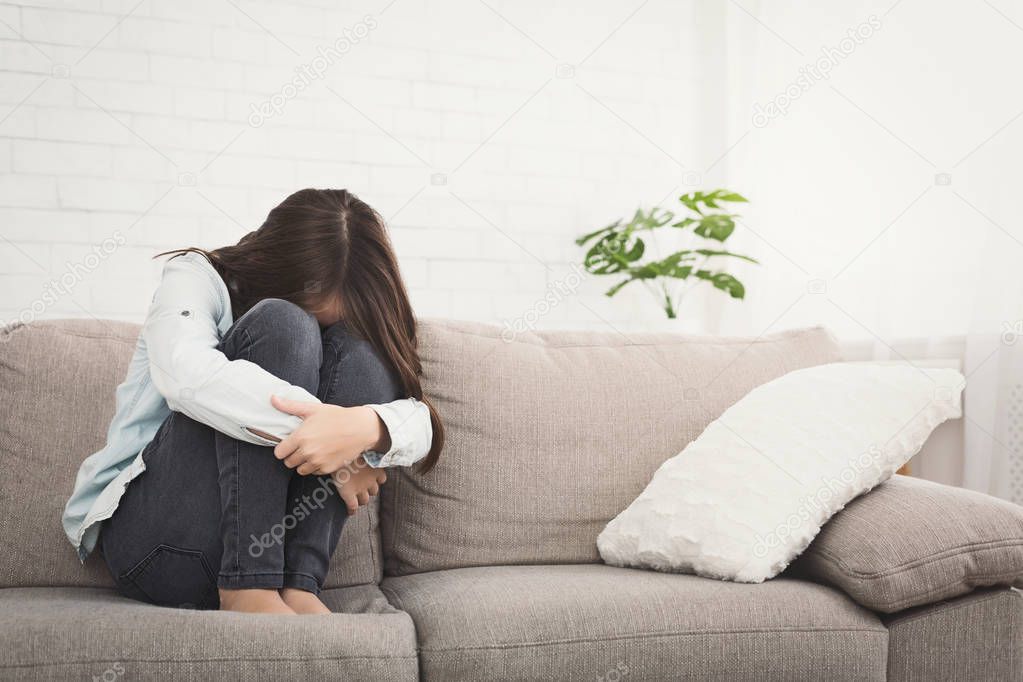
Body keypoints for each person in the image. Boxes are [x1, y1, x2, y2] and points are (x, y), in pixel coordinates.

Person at [62, 188, 443, 614]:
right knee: (283, 326)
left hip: (284, 565)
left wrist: (366, 429)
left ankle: (301, 587)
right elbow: (184, 374)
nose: (319, 345)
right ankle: (249, 587)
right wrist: (336, 447)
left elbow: (422, 424)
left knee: (366, 354)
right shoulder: (195, 278)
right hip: (162, 548)